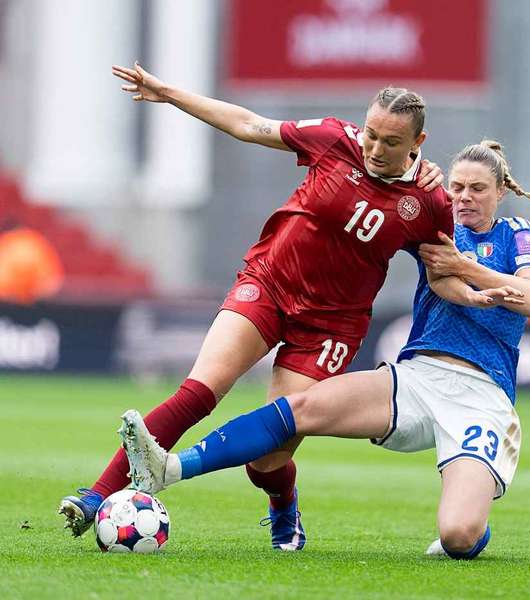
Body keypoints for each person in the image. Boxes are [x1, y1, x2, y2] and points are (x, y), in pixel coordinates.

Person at [59, 62, 450, 551]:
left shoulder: (431, 202)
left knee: (264, 459)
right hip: (269, 283)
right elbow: (249, 125)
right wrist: (171, 93)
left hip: (331, 326)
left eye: (391, 142)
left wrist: (492, 287)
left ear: (419, 142)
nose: (374, 149)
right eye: (371, 134)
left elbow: (445, 268)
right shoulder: (333, 138)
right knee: (199, 392)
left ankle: (283, 502)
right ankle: (97, 495)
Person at [119, 140, 530, 559]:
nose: (464, 197)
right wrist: (418, 173)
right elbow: (413, 235)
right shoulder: (439, 228)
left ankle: (472, 522)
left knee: (458, 535)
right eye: (457, 187)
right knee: (300, 408)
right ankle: (171, 468)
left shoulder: (517, 233)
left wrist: (467, 268)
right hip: (418, 377)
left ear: (500, 191)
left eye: (477, 188)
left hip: (482, 396)